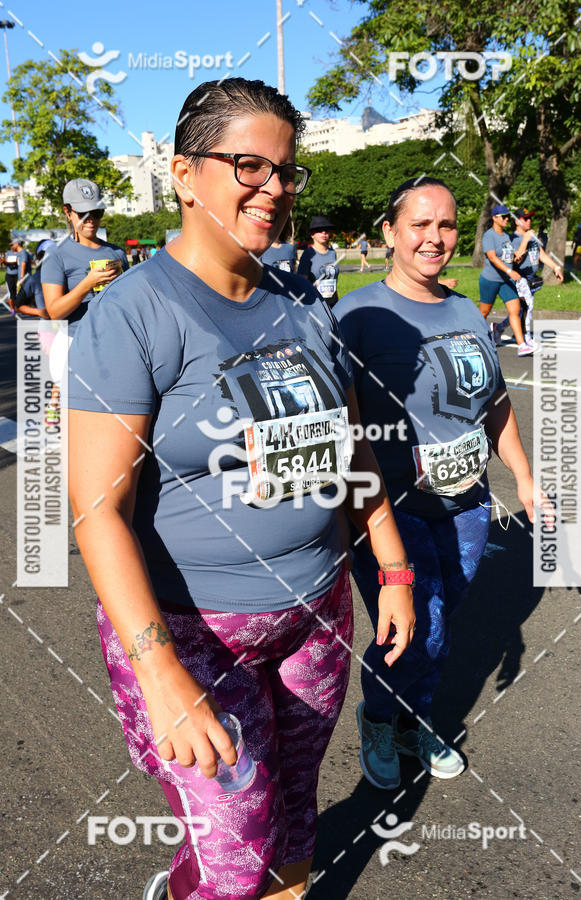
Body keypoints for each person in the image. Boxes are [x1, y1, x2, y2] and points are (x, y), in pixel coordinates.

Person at [67, 78, 415, 900]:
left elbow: (351, 449)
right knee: (233, 855)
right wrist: (161, 674)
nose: (275, 188)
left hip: (316, 614)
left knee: (294, 811)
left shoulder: (303, 306)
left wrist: (393, 569)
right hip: (191, 633)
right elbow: (98, 509)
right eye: (249, 166)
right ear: (185, 174)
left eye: (287, 171)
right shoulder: (134, 312)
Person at [335, 177, 537, 791]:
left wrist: (524, 478)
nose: (434, 237)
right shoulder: (357, 315)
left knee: (439, 623)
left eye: (446, 225)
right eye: (419, 224)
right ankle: (381, 719)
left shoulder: (466, 311)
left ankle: (411, 716)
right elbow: (338, 424)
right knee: (415, 624)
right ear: (390, 232)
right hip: (389, 510)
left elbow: (494, 402)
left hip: (467, 505)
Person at [41, 178, 128, 386]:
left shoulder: (117, 252)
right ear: (67, 212)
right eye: (83, 213)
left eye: (96, 213)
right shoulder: (56, 255)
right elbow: (54, 312)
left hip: (115, 343)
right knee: (72, 404)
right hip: (75, 344)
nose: (91, 220)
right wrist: (87, 284)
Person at [492, 207, 563, 347]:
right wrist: (525, 240)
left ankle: (499, 328)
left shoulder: (532, 237)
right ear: (517, 221)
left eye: (530, 218)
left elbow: (541, 254)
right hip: (519, 278)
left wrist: (556, 267)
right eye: (525, 218)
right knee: (527, 306)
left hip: (531, 279)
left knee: (520, 310)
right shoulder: (512, 239)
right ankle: (526, 337)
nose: (529, 221)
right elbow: (515, 259)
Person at [478, 204, 535, 356]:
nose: (507, 219)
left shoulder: (506, 236)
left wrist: (517, 256)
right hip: (490, 279)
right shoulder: (489, 236)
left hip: (505, 281)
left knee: (515, 310)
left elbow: (509, 256)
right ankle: (473, 336)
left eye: (508, 216)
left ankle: (522, 345)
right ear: (494, 218)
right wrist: (510, 271)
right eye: (504, 216)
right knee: (484, 312)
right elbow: (492, 257)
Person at [298, 215, 340, 307]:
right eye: (319, 230)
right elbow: (301, 281)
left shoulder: (332, 253)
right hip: (315, 304)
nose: (324, 232)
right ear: (312, 234)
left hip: (333, 302)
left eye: (326, 230)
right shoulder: (308, 253)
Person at [14, 240, 52, 321]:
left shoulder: (69, 275)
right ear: (39, 257)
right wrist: (38, 312)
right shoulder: (35, 278)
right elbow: (18, 305)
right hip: (48, 327)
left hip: (69, 327)